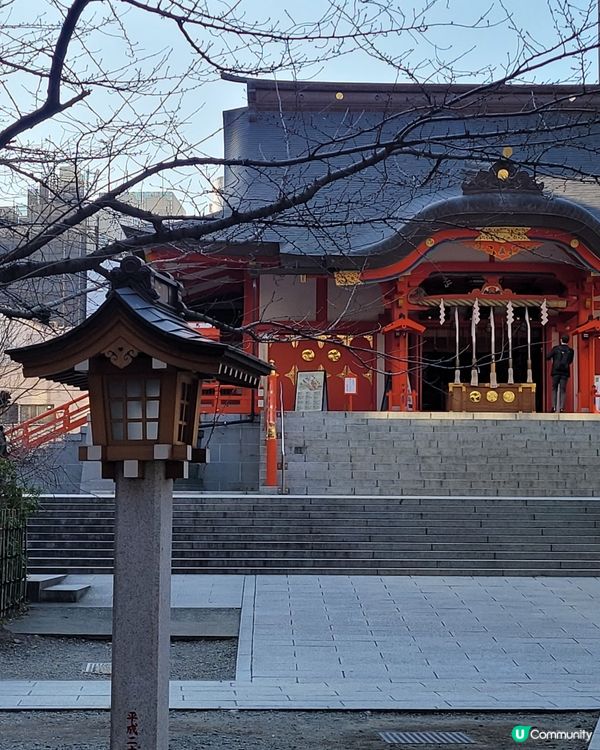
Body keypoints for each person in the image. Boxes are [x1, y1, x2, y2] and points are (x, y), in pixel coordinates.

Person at [546, 334, 574, 412]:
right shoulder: (571, 351)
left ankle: (553, 407)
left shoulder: (556, 349)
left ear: (561, 340)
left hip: (555, 371)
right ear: (568, 341)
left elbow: (548, 357)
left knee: (554, 389)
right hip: (565, 372)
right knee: (563, 390)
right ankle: (562, 408)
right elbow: (570, 361)